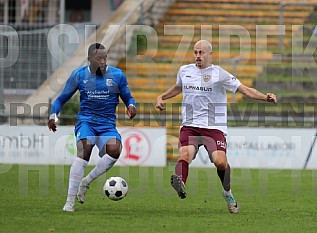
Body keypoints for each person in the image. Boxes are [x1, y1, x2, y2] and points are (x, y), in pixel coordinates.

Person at [155, 40, 277, 214]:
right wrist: (162, 97)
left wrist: (265, 97)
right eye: (195, 52)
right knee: (185, 154)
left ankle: (227, 192)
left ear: (210, 54)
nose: (197, 56)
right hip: (190, 125)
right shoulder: (184, 71)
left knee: (220, 162)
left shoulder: (219, 74)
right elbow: (178, 87)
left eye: (201, 53)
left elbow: (245, 90)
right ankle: (180, 181)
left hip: (214, 128)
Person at [48, 43, 137, 212]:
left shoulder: (117, 75)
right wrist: (53, 115)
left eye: (105, 58)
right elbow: (60, 99)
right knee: (84, 151)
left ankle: (86, 182)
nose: (103, 61)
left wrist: (131, 106)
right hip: (86, 122)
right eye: (98, 59)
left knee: (115, 150)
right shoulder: (79, 75)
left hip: (107, 125)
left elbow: (128, 97)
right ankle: (69, 203)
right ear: (89, 59)